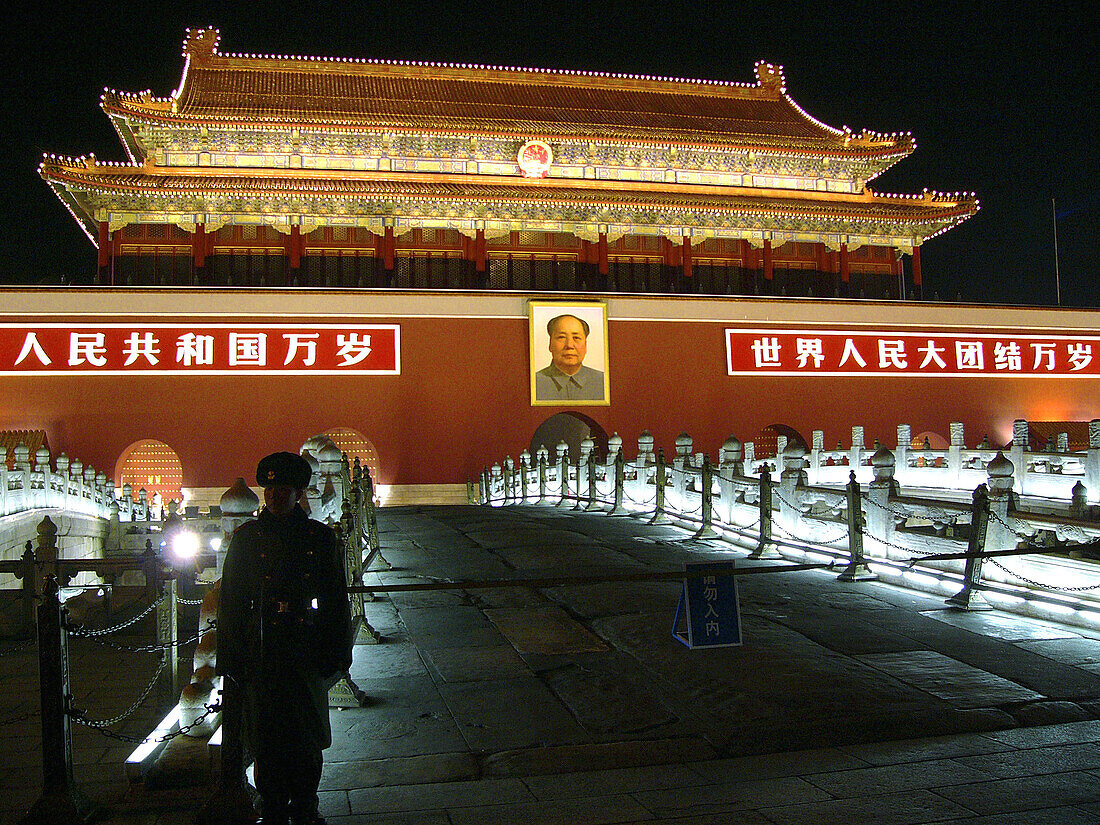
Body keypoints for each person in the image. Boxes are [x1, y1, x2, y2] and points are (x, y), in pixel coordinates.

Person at [216, 451, 352, 825]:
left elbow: (335, 600)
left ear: (298, 492)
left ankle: (306, 805)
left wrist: (339, 654)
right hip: (261, 651)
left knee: (307, 735)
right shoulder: (246, 540)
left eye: (284, 489)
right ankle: (273, 806)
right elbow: (230, 602)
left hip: (306, 649)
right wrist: (229, 659)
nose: (275, 496)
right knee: (266, 736)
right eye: (271, 488)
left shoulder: (319, 538)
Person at [534, 313, 606, 401]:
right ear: (550, 344)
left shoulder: (603, 382)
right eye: (561, 337)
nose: (569, 345)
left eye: (576, 338)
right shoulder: (535, 382)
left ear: (586, 345)